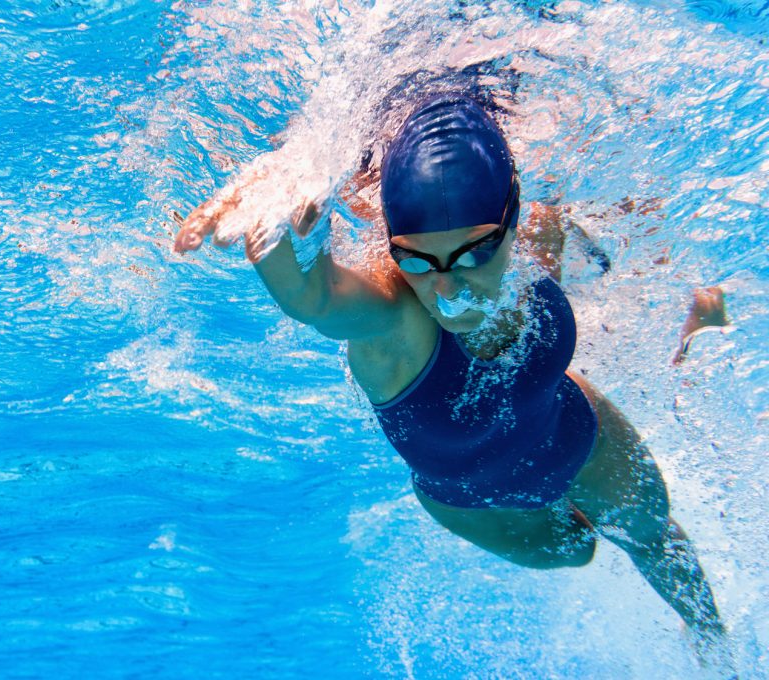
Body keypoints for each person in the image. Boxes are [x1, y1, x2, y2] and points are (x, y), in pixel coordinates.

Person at [174, 92, 729, 663]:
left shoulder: (534, 235)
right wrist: (275, 218)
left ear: (512, 225)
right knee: (578, 546)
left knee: (655, 541)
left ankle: (721, 660)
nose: (447, 289)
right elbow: (314, 296)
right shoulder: (395, 319)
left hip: (575, 435)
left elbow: (609, 212)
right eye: (416, 259)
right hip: (476, 500)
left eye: (474, 255)